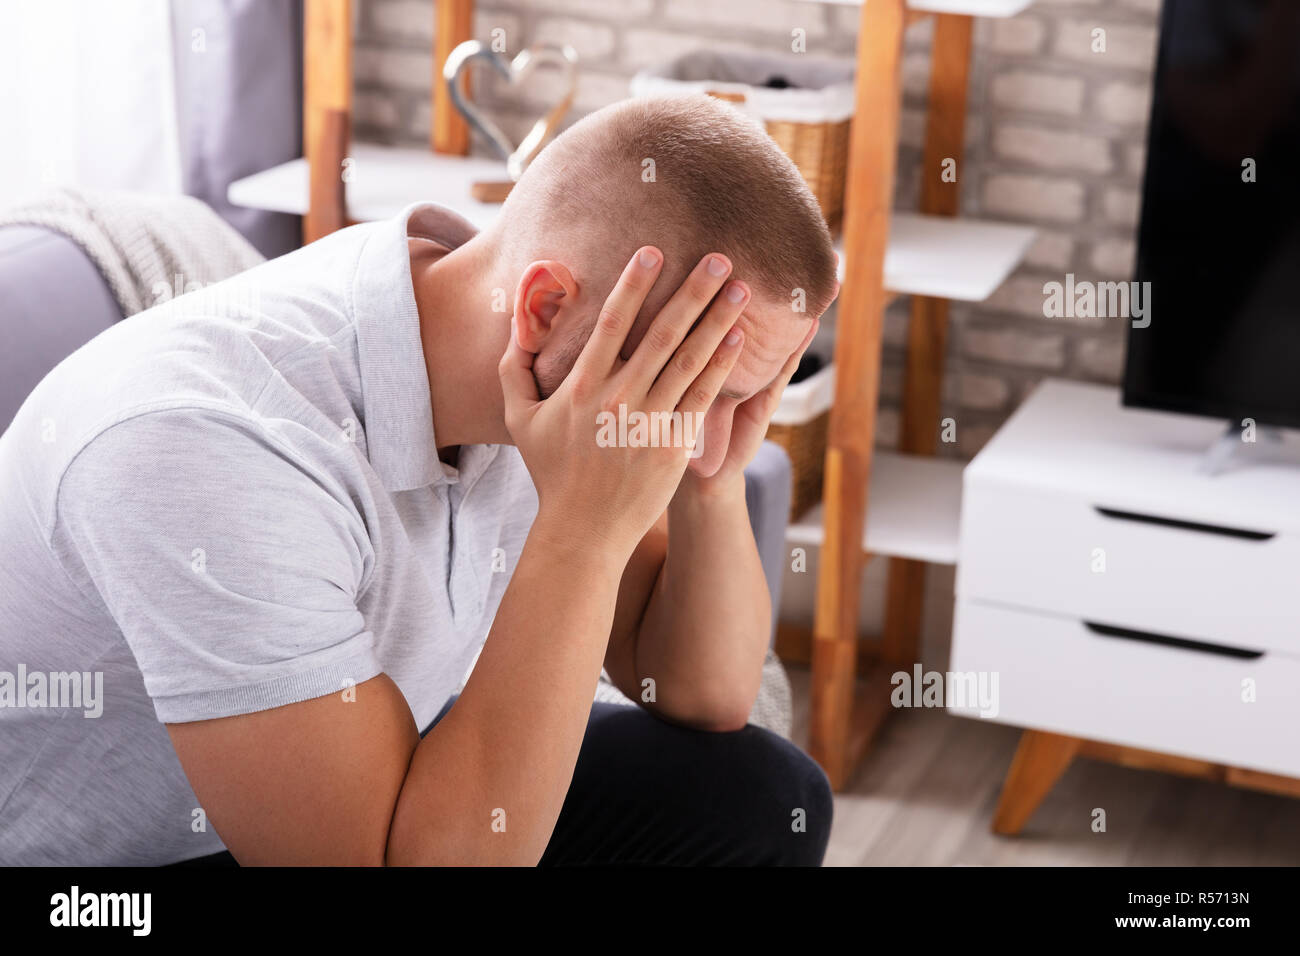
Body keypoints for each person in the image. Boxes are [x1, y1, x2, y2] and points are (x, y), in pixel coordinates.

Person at [0, 95, 839, 865]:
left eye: (739, 395)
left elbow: (703, 694)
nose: (699, 429)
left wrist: (710, 481)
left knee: (761, 797)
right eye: (689, 385)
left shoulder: (529, 360)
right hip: (118, 882)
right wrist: (580, 535)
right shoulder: (206, 445)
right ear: (544, 308)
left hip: (374, 788)